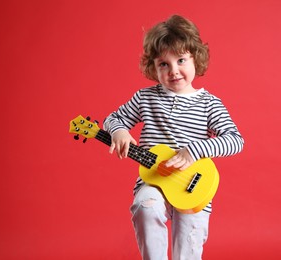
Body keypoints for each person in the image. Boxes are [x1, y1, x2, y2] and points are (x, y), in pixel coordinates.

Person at [103, 14, 244, 260]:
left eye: (181, 60)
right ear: (153, 67)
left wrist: (195, 151)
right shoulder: (145, 97)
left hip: (193, 188)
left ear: (195, 59)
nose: (174, 71)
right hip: (153, 182)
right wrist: (119, 130)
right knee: (145, 206)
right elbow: (113, 119)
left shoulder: (209, 103)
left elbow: (235, 140)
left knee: (188, 249)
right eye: (163, 64)